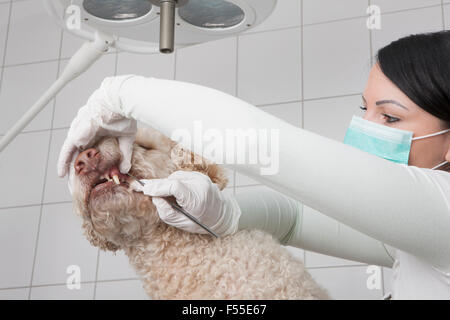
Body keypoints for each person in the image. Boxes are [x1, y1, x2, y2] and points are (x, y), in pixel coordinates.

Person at [57, 31, 450, 299]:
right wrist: (225, 214)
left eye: (391, 118)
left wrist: (119, 93)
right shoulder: (410, 237)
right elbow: (293, 219)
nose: (366, 127)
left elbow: (265, 145)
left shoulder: (443, 212)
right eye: (365, 110)